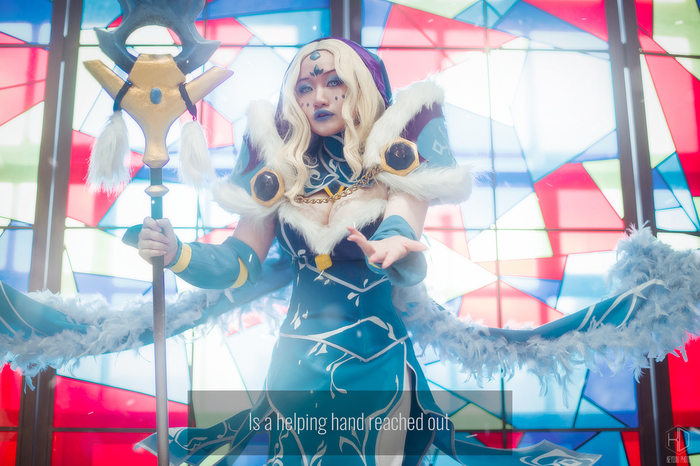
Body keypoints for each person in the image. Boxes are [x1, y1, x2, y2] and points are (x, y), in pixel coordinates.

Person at [135, 38, 603, 466]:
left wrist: (395, 244)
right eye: (305, 88)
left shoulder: (395, 157)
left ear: (360, 86)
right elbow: (238, 263)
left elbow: (403, 225)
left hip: (376, 360)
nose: (319, 98)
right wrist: (177, 254)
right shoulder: (280, 172)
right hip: (295, 365)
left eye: (334, 82)